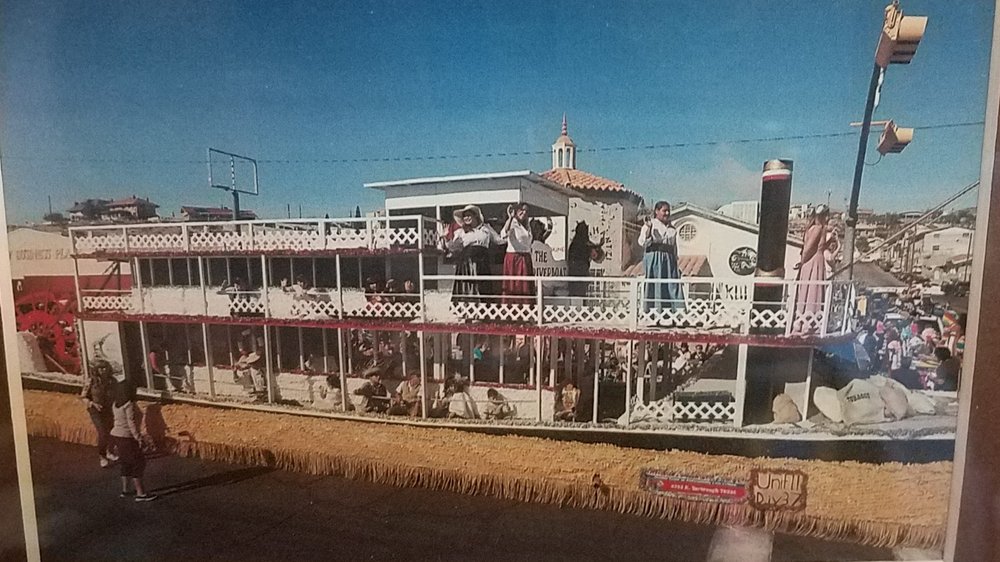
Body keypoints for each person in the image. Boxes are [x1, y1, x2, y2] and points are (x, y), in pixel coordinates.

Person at [442, 205, 503, 304]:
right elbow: (453, 247)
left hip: (482, 262)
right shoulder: (461, 232)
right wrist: (446, 238)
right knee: (467, 287)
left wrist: (511, 233)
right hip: (467, 263)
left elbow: (499, 240)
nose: (467, 218)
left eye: (469, 215)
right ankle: (465, 313)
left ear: (476, 216)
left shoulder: (486, 228)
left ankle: (481, 313)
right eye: (464, 216)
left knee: (482, 286)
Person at [109, 380, 156, 502]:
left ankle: (126, 490)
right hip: (127, 436)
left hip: (116, 435)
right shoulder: (129, 404)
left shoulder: (116, 403)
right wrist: (138, 438)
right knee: (138, 463)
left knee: (125, 462)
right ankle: (141, 493)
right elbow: (132, 423)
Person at [638, 201, 684, 314]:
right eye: (664, 210)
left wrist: (675, 262)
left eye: (668, 211)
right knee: (655, 284)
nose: (667, 213)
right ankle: (654, 313)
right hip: (654, 258)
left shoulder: (672, 228)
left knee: (672, 285)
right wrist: (649, 229)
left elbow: (674, 247)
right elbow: (643, 242)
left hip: (669, 259)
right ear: (657, 211)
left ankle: (676, 314)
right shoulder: (650, 224)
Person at [792, 205, 830, 334]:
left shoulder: (813, 229)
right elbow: (809, 247)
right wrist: (802, 261)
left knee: (809, 290)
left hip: (812, 261)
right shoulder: (818, 228)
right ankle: (808, 322)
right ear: (822, 216)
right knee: (812, 290)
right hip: (813, 262)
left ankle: (805, 321)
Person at [81, 359, 118, 468]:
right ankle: (102, 456)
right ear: (96, 370)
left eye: (105, 367)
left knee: (112, 431)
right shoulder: (91, 381)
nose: (103, 370)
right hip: (95, 409)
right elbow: (83, 397)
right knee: (102, 432)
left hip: (109, 408)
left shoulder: (113, 381)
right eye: (100, 368)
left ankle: (110, 451)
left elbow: (117, 394)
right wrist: (92, 403)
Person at [499, 203, 535, 305]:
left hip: (526, 258)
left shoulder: (527, 225)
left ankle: (526, 311)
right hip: (514, 258)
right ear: (516, 211)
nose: (524, 213)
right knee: (515, 285)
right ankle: (512, 311)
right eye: (522, 210)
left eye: (526, 211)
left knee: (526, 285)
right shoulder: (512, 223)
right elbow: (504, 233)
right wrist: (510, 218)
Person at [567, 221, 604, 299]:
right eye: (594, 254)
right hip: (577, 279)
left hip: (577, 280)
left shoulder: (578, 244)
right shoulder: (581, 245)